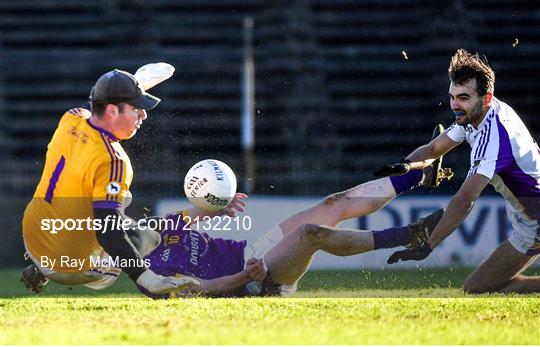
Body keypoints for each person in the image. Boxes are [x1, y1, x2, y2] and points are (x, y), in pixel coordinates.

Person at [20, 68, 241, 295]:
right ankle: (50, 269)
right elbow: (109, 230)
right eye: (136, 108)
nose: (143, 115)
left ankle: (40, 268)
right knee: (149, 235)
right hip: (69, 265)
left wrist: (136, 84)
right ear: (112, 110)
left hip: (32, 234)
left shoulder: (72, 117)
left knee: (115, 206)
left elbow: (96, 106)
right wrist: (144, 276)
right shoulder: (114, 161)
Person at [138, 141, 451, 298]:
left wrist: (218, 205)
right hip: (258, 283)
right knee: (310, 234)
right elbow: (203, 289)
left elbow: (194, 213)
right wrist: (247, 277)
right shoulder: (152, 276)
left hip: (253, 252)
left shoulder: (157, 227)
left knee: (333, 205)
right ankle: (409, 235)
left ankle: (420, 175)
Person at [379, 49, 540, 294]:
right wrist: (405, 167)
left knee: (476, 290)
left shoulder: (493, 138)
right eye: (453, 96)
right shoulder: (476, 114)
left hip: (535, 223)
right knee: (477, 288)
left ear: (486, 98)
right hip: (528, 221)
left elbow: (465, 200)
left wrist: (428, 246)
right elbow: (433, 148)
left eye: (463, 97)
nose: (455, 104)